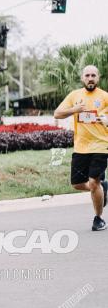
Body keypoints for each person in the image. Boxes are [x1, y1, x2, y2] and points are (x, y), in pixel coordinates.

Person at [54, 65, 108, 231]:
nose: (90, 78)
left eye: (93, 75)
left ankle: (98, 219)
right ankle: (102, 188)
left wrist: (105, 119)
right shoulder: (75, 95)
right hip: (81, 147)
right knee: (77, 184)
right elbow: (57, 113)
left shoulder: (105, 97)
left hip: (100, 145)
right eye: (87, 75)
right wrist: (74, 110)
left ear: (98, 78)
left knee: (93, 182)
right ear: (82, 78)